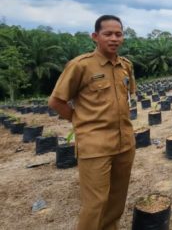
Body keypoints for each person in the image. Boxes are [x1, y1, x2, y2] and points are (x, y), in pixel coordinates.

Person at [48, 15, 136, 230]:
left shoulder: (125, 66)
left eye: (118, 34)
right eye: (108, 34)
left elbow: (128, 96)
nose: (114, 38)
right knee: (95, 203)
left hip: (124, 143)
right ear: (96, 36)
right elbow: (56, 101)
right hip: (95, 146)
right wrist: (81, 121)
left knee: (117, 200)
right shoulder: (81, 66)